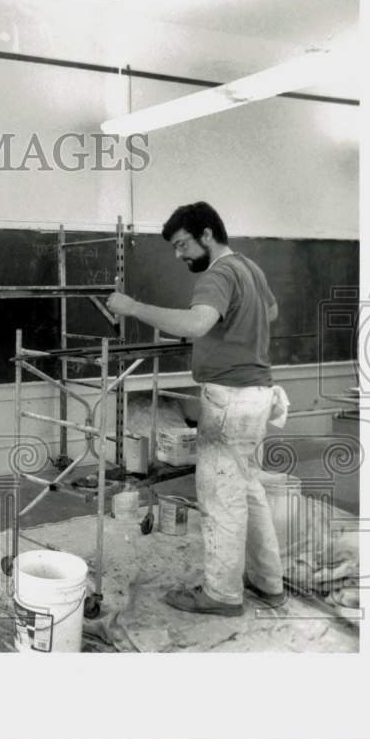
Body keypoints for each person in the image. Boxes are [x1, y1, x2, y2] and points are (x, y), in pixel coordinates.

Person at [106, 201, 288, 617]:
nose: (179, 254)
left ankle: (222, 596)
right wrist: (233, 330)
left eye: (183, 244)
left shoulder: (219, 274)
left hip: (229, 400)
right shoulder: (249, 268)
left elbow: (194, 324)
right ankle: (268, 584)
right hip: (257, 394)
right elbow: (271, 311)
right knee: (247, 488)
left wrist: (132, 307)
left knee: (221, 497)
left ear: (207, 234)